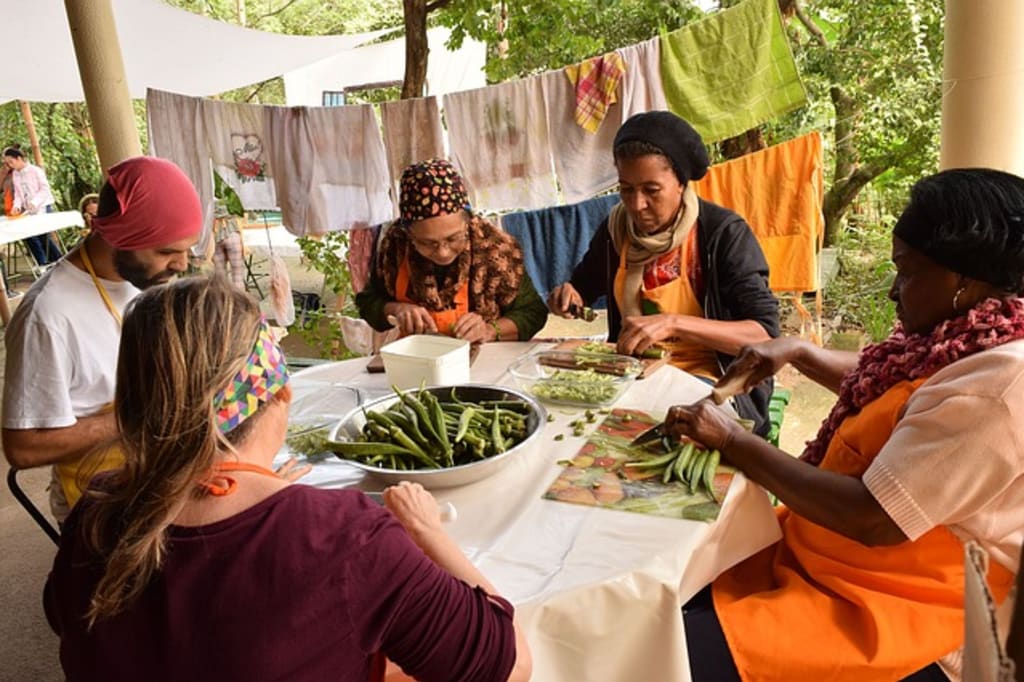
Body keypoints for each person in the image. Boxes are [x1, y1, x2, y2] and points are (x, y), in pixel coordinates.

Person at [43, 276, 532, 682]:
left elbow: (67, 618)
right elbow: (507, 667)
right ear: (279, 394)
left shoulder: (95, 512)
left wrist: (260, 488)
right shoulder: (346, 538)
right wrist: (429, 531)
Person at [666, 168, 1024, 681]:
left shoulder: (1000, 387)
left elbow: (873, 518)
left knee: (665, 655)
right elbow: (893, 391)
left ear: (963, 279)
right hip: (825, 560)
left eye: (908, 272)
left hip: (892, 607)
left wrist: (732, 440)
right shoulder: (973, 334)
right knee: (670, 601)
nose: (894, 292)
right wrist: (797, 352)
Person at [548, 111, 779, 434]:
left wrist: (673, 323)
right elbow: (583, 285)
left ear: (681, 183)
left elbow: (765, 336)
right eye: (626, 189)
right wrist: (570, 293)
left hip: (714, 380)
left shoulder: (722, 235)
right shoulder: (616, 231)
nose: (637, 204)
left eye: (651, 190)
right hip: (634, 372)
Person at [2, 156, 202, 522]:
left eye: (186, 249)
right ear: (117, 237)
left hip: (158, 473)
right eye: (167, 251)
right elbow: (22, 448)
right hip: (101, 501)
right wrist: (138, 418)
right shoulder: (48, 315)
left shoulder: (139, 278)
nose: (182, 264)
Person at [356, 158, 548, 343]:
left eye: (453, 238)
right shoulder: (395, 246)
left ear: (468, 221)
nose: (443, 252)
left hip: (483, 364)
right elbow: (368, 302)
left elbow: (533, 312)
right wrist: (395, 309)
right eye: (427, 243)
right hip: (418, 361)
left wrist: (490, 330)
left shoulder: (495, 250)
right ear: (408, 233)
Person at [3, 144, 62, 267]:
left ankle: (58, 260)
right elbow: (18, 194)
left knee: (42, 234)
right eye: (7, 163)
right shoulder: (15, 174)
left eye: (11, 162)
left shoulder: (35, 170)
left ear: (19, 158)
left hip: (43, 206)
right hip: (28, 210)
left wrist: (34, 202)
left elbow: (45, 190)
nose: (10, 165)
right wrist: (16, 206)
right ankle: (42, 262)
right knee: (28, 234)